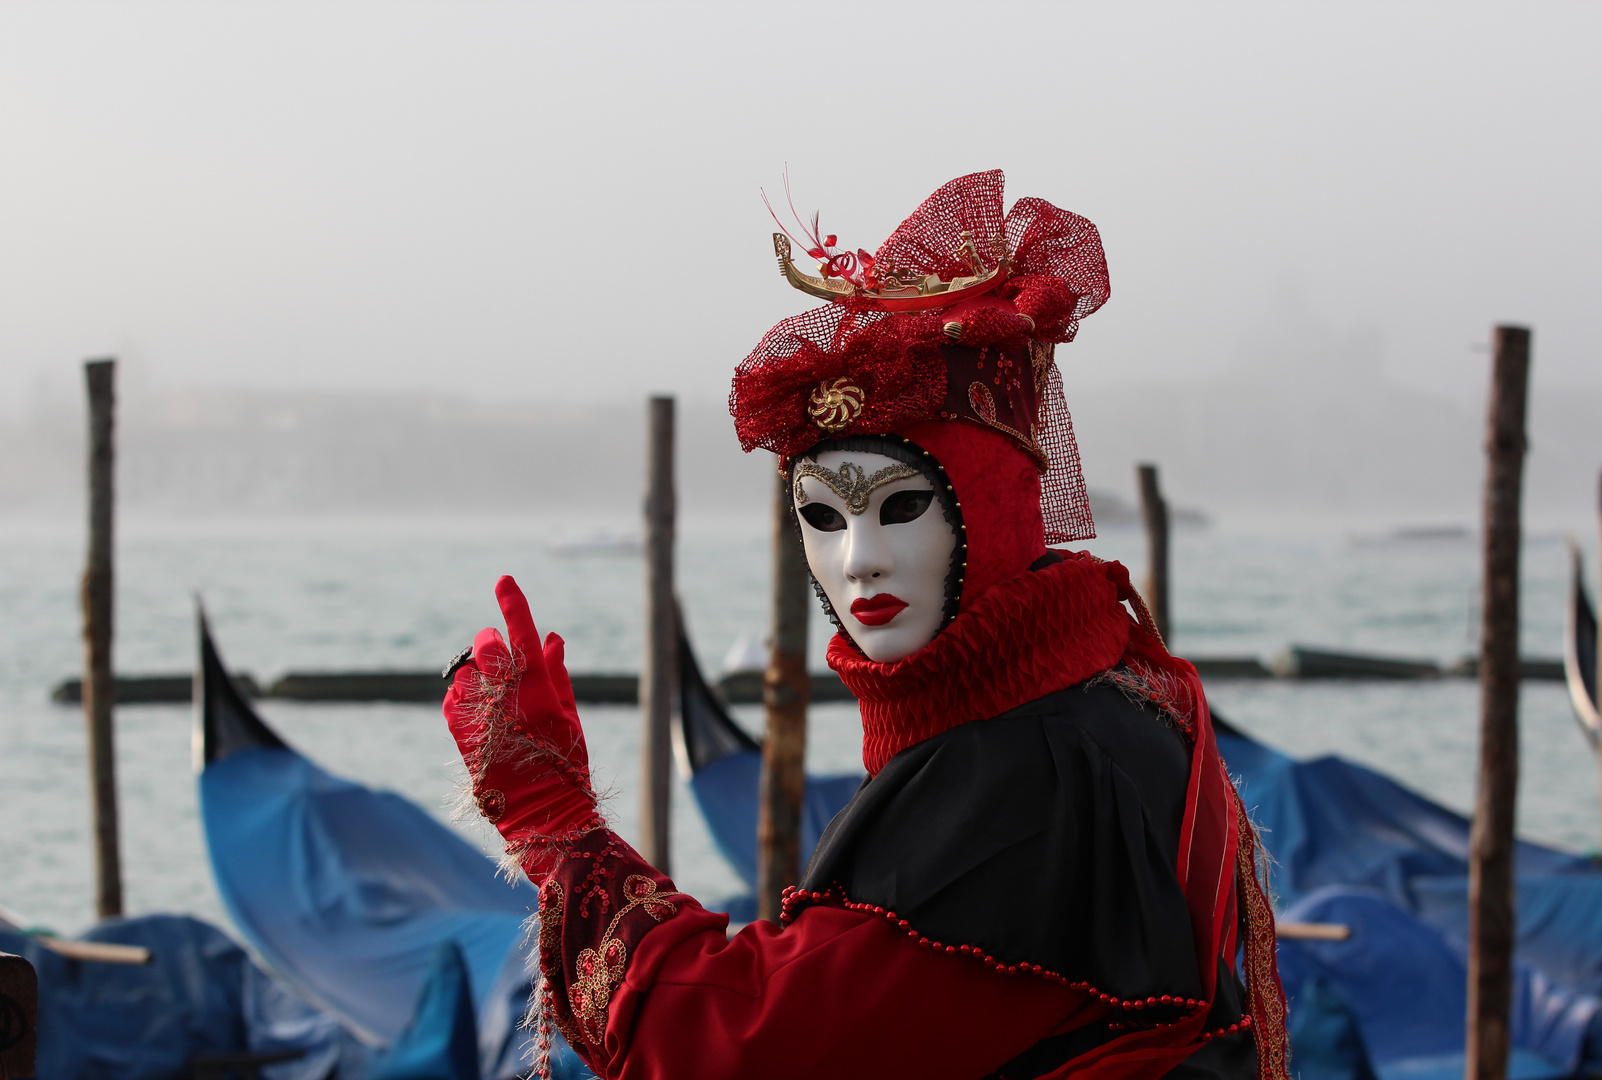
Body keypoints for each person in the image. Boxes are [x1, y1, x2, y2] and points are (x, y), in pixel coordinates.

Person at [442, 170, 1287, 1080]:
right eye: (822, 518)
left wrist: (555, 822)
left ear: (993, 508)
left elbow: (732, 1051)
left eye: (903, 506)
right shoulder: (1106, 690)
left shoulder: (1030, 771)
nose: (859, 563)